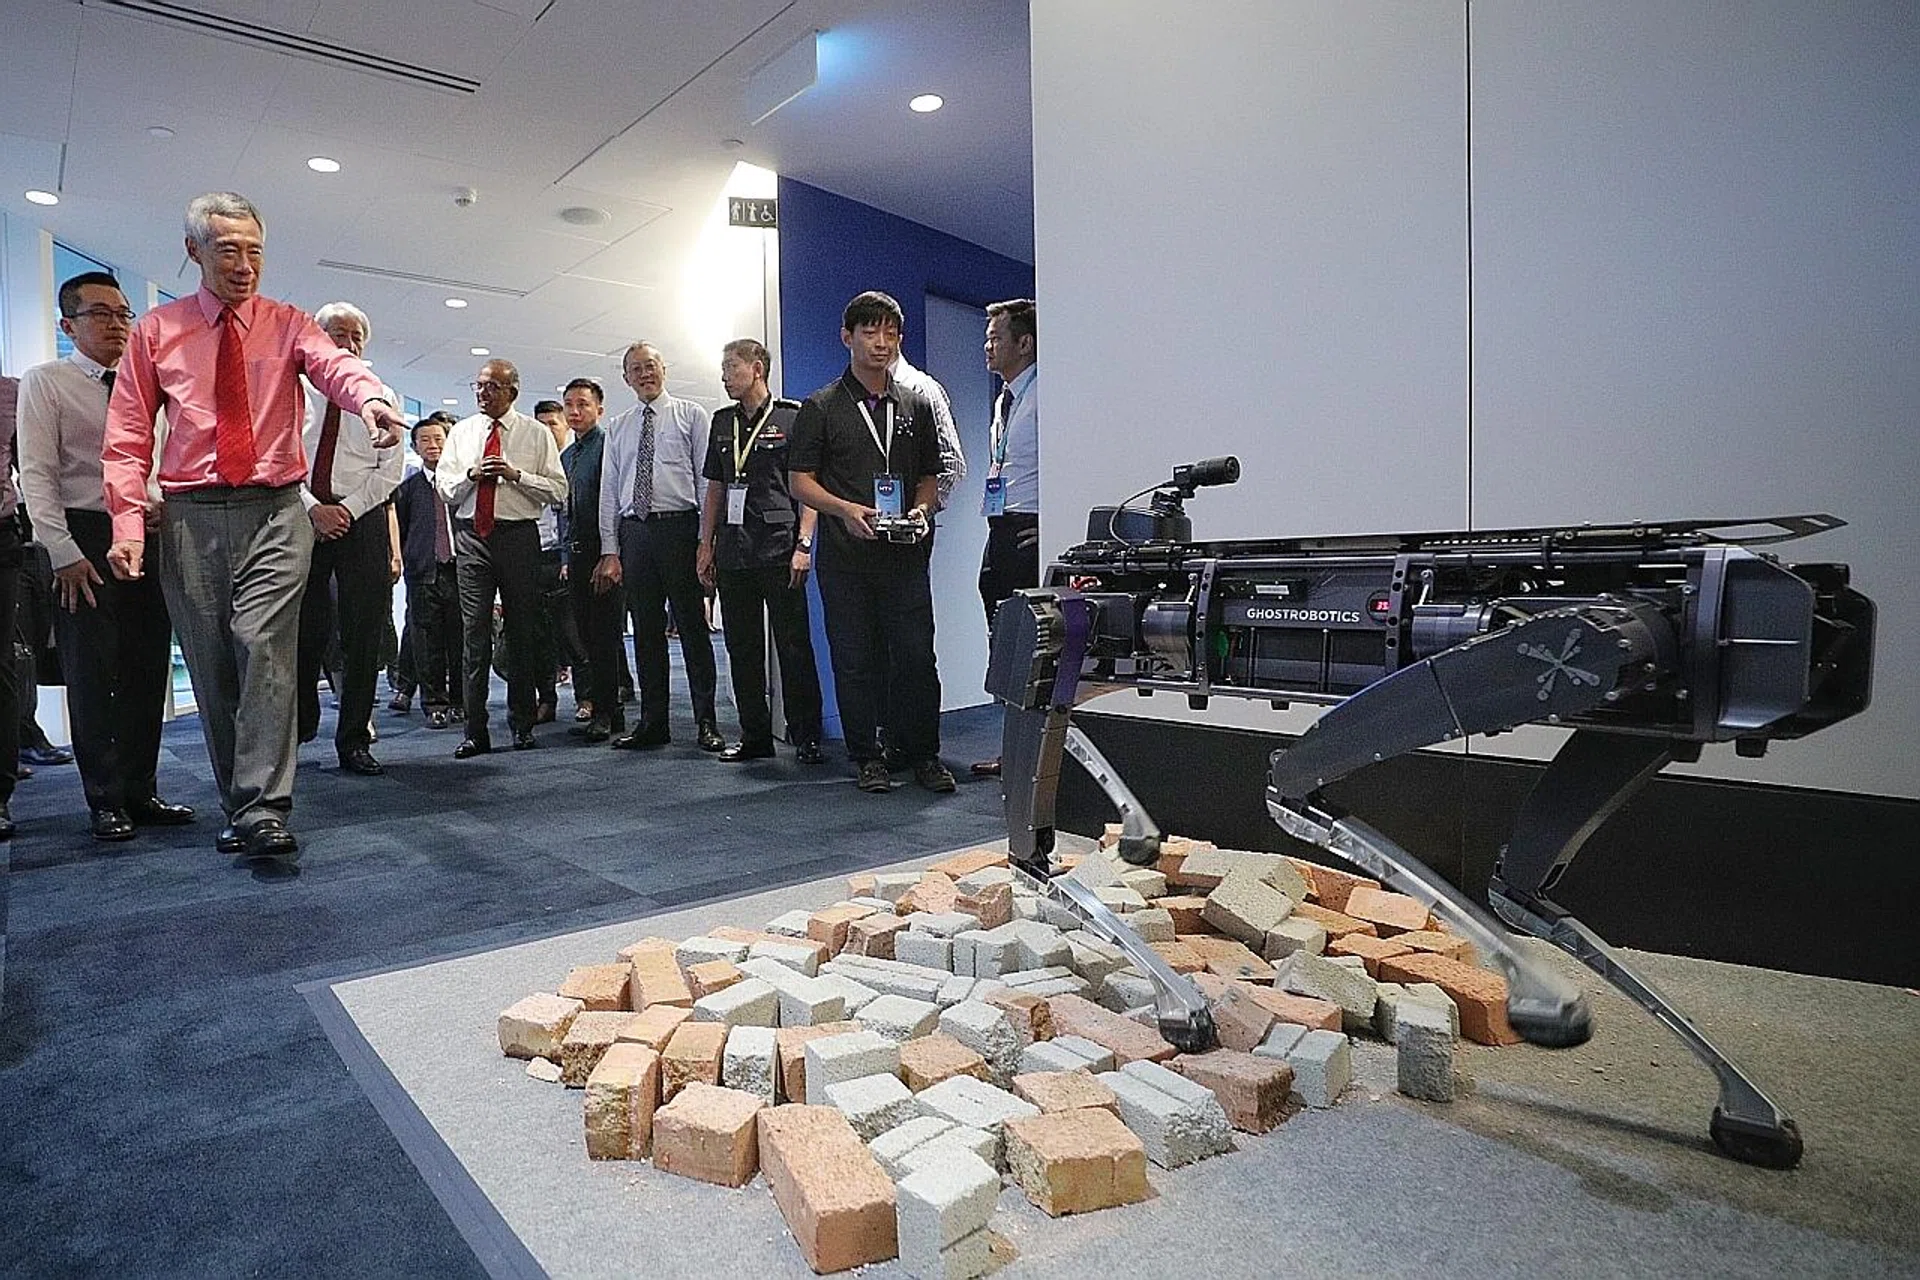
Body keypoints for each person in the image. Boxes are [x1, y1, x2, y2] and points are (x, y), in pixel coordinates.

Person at [102, 192, 406, 862]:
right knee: (214, 668)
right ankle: (241, 805)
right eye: (229, 251)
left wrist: (374, 402)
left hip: (276, 510)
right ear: (194, 252)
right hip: (191, 517)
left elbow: (337, 366)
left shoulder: (288, 322)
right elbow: (126, 436)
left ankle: (265, 808)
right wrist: (127, 522)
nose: (244, 266)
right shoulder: (156, 332)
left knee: (264, 647)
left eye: (255, 252)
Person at [15, 271, 194, 841]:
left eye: (123, 314)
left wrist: (159, 502)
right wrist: (62, 551)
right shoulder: (47, 382)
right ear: (68, 326)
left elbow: (159, 461)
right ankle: (105, 799)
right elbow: (38, 475)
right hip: (84, 538)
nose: (117, 324)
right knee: (92, 672)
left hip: (148, 533)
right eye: (101, 314)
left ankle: (141, 790)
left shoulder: (146, 385)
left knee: (147, 666)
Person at [789, 291, 955, 795]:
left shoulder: (916, 403)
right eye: (869, 332)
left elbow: (931, 475)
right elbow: (800, 482)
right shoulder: (821, 406)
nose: (881, 343)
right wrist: (845, 509)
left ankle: (922, 753)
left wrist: (922, 511)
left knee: (916, 658)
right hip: (847, 559)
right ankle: (867, 756)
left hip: (904, 555)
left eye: (890, 333)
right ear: (848, 337)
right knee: (855, 660)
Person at [697, 338, 824, 764]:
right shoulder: (722, 422)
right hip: (734, 550)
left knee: (793, 646)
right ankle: (755, 736)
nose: (725, 377)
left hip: (779, 549)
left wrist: (804, 543)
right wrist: (705, 544)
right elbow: (715, 488)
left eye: (731, 367)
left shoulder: (792, 418)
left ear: (757, 369)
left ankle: (807, 736)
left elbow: (808, 488)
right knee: (742, 647)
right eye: (723, 369)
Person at [592, 342, 722, 752]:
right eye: (636, 369)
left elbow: (706, 482)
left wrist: (706, 541)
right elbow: (609, 490)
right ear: (626, 378)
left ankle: (707, 722)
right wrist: (610, 549)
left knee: (692, 629)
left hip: (680, 530)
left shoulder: (691, 415)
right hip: (636, 534)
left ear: (664, 369)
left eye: (650, 366)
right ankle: (652, 723)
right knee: (646, 633)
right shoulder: (619, 426)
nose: (645, 374)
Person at [295, 301, 403, 777]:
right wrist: (313, 508)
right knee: (302, 628)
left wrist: (346, 511)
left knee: (364, 634)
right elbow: (278, 457)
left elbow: (389, 471)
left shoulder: (382, 395)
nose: (349, 344)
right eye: (338, 334)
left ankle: (355, 738)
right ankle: (300, 721)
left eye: (357, 336)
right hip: (300, 515)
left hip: (362, 519)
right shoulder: (293, 389)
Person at [437, 359, 566, 757]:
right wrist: (472, 475)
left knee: (521, 632)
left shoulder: (535, 433)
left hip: (518, 537)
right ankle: (475, 731)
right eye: (479, 385)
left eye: (493, 386)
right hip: (472, 538)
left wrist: (516, 475)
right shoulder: (461, 433)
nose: (483, 392)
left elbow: (558, 490)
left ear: (513, 391)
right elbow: (445, 488)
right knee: (474, 635)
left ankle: (522, 724)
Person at [971, 298, 1041, 778]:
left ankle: (1032, 753)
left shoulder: (1046, 394)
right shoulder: (1005, 399)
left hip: (1028, 531)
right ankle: (1012, 748)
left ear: (1025, 343)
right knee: (1003, 639)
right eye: (987, 338)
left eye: (996, 338)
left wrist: (1054, 520)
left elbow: (1068, 459)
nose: (988, 346)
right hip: (1000, 526)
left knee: (1028, 644)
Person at [558, 378, 625, 742]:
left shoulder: (608, 446)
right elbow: (565, 511)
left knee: (604, 637)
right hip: (577, 554)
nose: (575, 411)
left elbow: (614, 503)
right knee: (584, 636)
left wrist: (611, 553)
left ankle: (608, 712)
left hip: (604, 552)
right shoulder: (567, 455)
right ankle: (605, 709)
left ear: (599, 409)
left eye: (582, 404)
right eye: (569, 404)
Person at [392, 413, 461, 729]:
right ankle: (434, 704)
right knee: (426, 642)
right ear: (415, 447)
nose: (432, 445)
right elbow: (401, 530)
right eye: (425, 440)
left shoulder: (461, 483)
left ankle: (461, 701)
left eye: (438, 439)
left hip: (460, 571)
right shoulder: (407, 489)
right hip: (423, 573)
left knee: (461, 641)